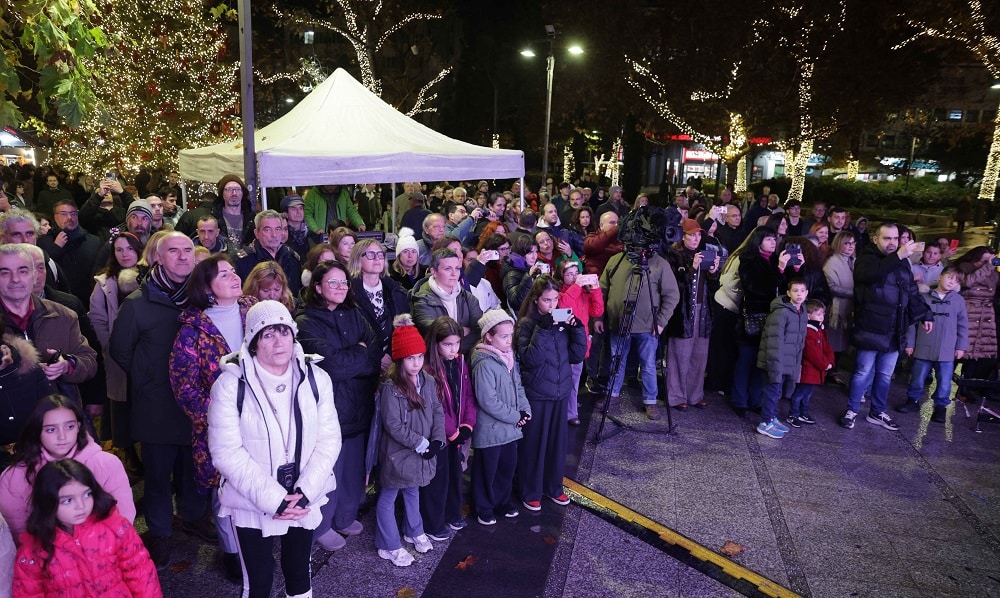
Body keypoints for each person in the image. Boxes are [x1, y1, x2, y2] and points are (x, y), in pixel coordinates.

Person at [208, 300, 341, 598]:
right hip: (252, 500)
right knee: (259, 581)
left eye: (284, 331)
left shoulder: (317, 379)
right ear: (253, 343)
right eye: (267, 334)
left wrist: (304, 492)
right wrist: (276, 500)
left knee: (298, 572)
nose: (278, 341)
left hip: (304, 494)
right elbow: (226, 452)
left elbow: (329, 439)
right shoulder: (231, 386)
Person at [109, 232, 211, 567]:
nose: (183, 257)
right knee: (156, 476)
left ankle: (194, 518)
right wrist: (150, 379)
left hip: (193, 405)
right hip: (155, 407)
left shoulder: (201, 299)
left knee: (193, 469)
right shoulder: (139, 302)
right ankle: (161, 532)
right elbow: (120, 351)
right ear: (157, 257)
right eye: (174, 251)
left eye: (187, 250)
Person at [168, 254, 255, 580]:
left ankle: (258, 543)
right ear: (206, 287)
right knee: (226, 493)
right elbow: (185, 388)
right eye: (224, 274)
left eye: (234, 272)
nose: (234, 277)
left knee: (259, 483)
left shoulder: (253, 312)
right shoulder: (193, 330)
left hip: (261, 420)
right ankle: (232, 553)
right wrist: (223, 414)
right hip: (220, 428)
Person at [295, 260, 380, 552]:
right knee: (329, 470)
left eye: (344, 282)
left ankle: (345, 516)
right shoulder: (306, 321)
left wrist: (354, 358)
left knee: (353, 468)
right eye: (333, 282)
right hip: (330, 408)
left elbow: (374, 351)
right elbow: (331, 365)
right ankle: (322, 525)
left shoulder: (354, 314)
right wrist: (358, 354)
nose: (341, 288)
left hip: (359, 402)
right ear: (317, 287)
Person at [12, 459, 160, 596]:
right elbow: (29, 593)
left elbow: (141, 573)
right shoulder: (33, 551)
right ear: (47, 502)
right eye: (68, 500)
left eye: (87, 494)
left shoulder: (116, 528)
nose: (81, 506)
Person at [0, 394, 135, 543]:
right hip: (48, 557)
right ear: (36, 430)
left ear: (78, 427)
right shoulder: (14, 476)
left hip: (104, 551)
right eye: (51, 430)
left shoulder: (107, 464)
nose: (62, 437)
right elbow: (18, 532)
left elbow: (124, 516)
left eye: (69, 426)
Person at [841, 223, 932, 431]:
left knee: (884, 375)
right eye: (886, 238)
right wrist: (898, 256)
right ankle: (852, 410)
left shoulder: (901, 262)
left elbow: (911, 290)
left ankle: (876, 412)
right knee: (862, 371)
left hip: (894, 328)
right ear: (875, 239)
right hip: (871, 326)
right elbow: (870, 275)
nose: (892, 243)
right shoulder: (867, 257)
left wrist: (926, 313)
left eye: (895, 238)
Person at [371, 315, 444, 567]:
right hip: (397, 453)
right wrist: (421, 443)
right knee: (389, 496)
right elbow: (393, 425)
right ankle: (388, 544)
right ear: (400, 359)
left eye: (420, 357)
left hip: (420, 451)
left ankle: (414, 530)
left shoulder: (429, 381)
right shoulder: (392, 387)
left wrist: (437, 439)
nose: (416, 363)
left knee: (413, 490)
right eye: (410, 358)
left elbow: (437, 411)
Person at [515, 276, 586, 511]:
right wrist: (543, 330)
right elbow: (529, 360)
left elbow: (576, 356)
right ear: (536, 300)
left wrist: (577, 328)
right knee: (534, 445)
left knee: (557, 445)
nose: (552, 305)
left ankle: (554, 487)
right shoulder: (526, 324)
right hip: (537, 393)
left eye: (556, 299)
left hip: (560, 391)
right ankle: (530, 490)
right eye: (547, 300)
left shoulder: (562, 320)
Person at [601, 244, 680, 420]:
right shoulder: (616, 260)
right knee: (616, 361)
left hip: (648, 326)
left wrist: (660, 322)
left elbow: (672, 295)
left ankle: (650, 401)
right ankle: (611, 395)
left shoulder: (660, 264)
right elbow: (602, 290)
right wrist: (598, 318)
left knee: (649, 365)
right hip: (619, 323)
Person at [88, 231, 143, 474]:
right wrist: (111, 347)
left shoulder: (149, 276)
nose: (125, 254)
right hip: (117, 357)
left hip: (147, 355)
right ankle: (129, 454)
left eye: (130, 249)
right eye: (119, 250)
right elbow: (97, 319)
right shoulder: (103, 283)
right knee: (123, 407)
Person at [418, 316, 476, 538]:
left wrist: (468, 424)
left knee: (454, 474)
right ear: (436, 343)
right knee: (437, 479)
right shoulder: (428, 368)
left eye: (457, 343)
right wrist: (452, 431)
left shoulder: (460, 362)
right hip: (438, 435)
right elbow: (436, 405)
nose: (454, 349)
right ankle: (433, 523)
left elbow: (468, 395)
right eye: (447, 344)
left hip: (457, 432)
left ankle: (452, 513)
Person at [470, 310, 529, 526]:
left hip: (510, 428)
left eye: (511, 335)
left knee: (506, 467)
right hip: (491, 430)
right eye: (504, 336)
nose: (509, 340)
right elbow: (488, 401)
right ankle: (483, 507)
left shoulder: (509, 357)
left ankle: (502, 502)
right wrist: (516, 416)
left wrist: (525, 410)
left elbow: (518, 386)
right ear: (489, 337)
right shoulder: (484, 363)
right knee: (487, 472)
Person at [898, 267, 968, 423]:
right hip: (924, 344)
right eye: (950, 277)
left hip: (947, 347)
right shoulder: (924, 297)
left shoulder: (958, 300)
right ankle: (912, 401)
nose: (952, 282)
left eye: (956, 280)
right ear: (940, 276)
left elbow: (963, 325)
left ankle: (940, 407)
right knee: (917, 376)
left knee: (944, 380)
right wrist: (910, 343)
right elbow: (912, 322)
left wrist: (961, 346)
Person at [664, 219, 721, 410]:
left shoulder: (704, 253)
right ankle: (676, 396)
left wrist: (713, 273)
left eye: (698, 235)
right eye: (692, 235)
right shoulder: (673, 255)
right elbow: (674, 286)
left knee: (699, 355)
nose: (696, 239)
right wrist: (692, 269)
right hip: (682, 312)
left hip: (703, 310)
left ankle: (695, 395)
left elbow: (713, 289)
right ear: (683, 235)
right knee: (679, 355)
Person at [731, 227, 785, 417]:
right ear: (758, 240)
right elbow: (757, 288)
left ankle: (755, 400)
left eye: (775, 239)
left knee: (760, 362)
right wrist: (779, 270)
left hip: (771, 319)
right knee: (746, 360)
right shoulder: (749, 260)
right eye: (769, 239)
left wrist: (793, 267)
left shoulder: (773, 260)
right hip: (752, 318)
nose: (773, 242)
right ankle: (739, 400)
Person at [756, 279, 808, 438]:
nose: (799, 294)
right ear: (788, 293)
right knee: (771, 392)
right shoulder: (782, 312)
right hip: (774, 362)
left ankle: (771, 417)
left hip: (787, 361)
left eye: (802, 291)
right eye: (795, 291)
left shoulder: (801, 310)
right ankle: (765, 423)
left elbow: (799, 341)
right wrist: (775, 366)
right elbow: (774, 342)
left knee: (777, 392)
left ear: (806, 293)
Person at [349, 239, 410, 373]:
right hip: (363, 365)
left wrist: (390, 353)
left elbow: (403, 327)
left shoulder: (395, 291)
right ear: (358, 258)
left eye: (380, 254)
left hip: (394, 361)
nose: (377, 258)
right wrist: (378, 356)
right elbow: (351, 333)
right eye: (370, 254)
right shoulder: (348, 293)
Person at [556, 261, 603, 426]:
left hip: (580, 345)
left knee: (575, 380)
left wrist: (596, 288)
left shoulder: (583, 293)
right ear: (561, 276)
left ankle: (570, 410)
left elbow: (597, 311)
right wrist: (576, 286)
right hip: (564, 345)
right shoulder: (558, 293)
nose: (574, 276)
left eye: (576, 273)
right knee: (565, 380)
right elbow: (562, 309)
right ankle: (569, 413)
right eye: (569, 274)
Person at [410, 249, 484, 355]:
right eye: (448, 269)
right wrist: (462, 331)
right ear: (434, 272)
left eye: (457, 268)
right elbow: (436, 332)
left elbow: (480, 328)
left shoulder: (467, 297)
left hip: (466, 357)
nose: (454, 274)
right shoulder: (422, 299)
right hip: (435, 359)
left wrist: (455, 345)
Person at [952, 247, 998, 405]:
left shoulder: (994, 274)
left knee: (978, 357)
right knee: (956, 352)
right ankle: (942, 389)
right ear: (973, 258)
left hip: (986, 318)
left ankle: (966, 392)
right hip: (967, 314)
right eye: (983, 260)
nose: (987, 263)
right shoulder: (963, 268)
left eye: (989, 260)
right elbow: (968, 282)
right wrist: (989, 266)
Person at [37, 199, 102, 305]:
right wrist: (56, 248)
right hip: (58, 303)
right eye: (63, 214)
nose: (69, 218)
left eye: (73, 213)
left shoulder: (94, 241)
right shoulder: (43, 242)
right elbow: (44, 272)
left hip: (90, 301)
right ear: (54, 217)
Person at [786, 300, 834, 428]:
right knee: (800, 393)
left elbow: (827, 348)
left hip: (815, 371)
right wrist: (825, 364)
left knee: (807, 394)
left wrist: (830, 361)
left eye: (823, 314)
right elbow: (812, 353)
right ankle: (793, 414)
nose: (822, 318)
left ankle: (804, 412)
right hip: (808, 370)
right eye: (818, 315)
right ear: (808, 316)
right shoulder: (809, 332)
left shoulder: (819, 330)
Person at [236, 210, 301, 296]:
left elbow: (297, 294)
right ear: (257, 233)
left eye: (278, 229)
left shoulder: (292, 257)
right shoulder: (242, 261)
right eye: (267, 230)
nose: (274, 235)